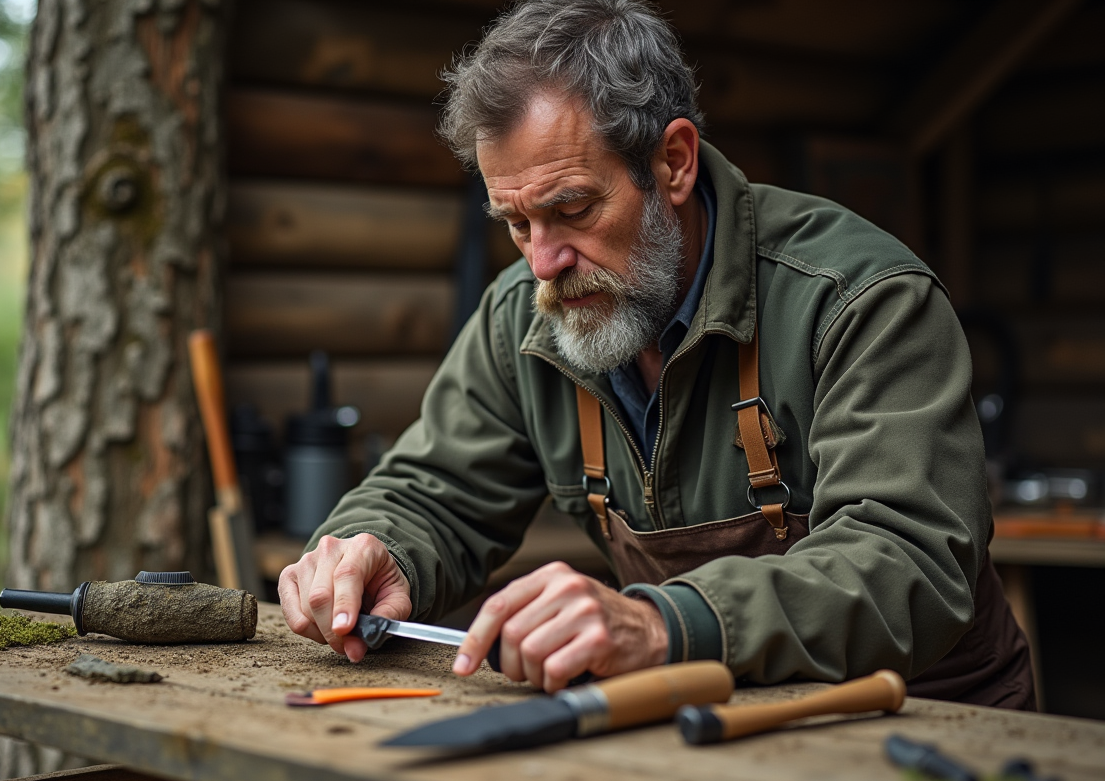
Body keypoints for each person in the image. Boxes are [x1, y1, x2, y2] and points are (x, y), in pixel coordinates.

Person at [278, 0, 1035, 708]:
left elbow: (909, 562)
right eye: (515, 223)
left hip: (926, 722)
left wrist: (666, 626)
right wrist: (378, 550)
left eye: (571, 209)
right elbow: (433, 490)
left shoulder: (858, 298)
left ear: (673, 162)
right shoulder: (526, 316)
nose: (541, 262)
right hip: (710, 726)